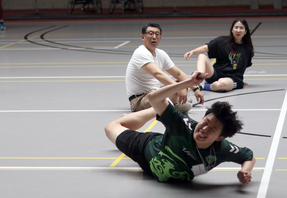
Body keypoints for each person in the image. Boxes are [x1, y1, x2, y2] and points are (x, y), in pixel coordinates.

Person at [105, 72, 256, 184]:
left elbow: (249, 156)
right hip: (144, 149)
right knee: (111, 127)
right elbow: (152, 98)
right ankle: (158, 111)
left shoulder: (223, 149)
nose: (204, 129)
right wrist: (187, 82)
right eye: (205, 121)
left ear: (220, 137)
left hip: (160, 162)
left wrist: (245, 171)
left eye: (212, 129)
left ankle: (162, 110)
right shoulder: (182, 125)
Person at [126, 23, 204, 113]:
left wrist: (195, 89)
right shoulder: (140, 52)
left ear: (160, 37)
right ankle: (174, 104)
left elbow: (178, 73)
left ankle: (173, 102)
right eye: (150, 34)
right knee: (179, 94)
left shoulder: (160, 53)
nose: (154, 37)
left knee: (183, 83)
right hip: (139, 100)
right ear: (143, 37)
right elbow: (158, 74)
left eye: (157, 34)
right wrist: (178, 88)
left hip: (155, 93)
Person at [184, 18, 254, 92]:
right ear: (232, 30)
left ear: (245, 31)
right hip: (216, 73)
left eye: (241, 28)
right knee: (202, 56)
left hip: (232, 78)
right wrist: (193, 51)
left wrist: (239, 81)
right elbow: (206, 48)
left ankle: (204, 86)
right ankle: (199, 79)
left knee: (222, 85)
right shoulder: (222, 41)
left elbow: (243, 67)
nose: (238, 30)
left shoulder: (247, 48)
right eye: (236, 27)